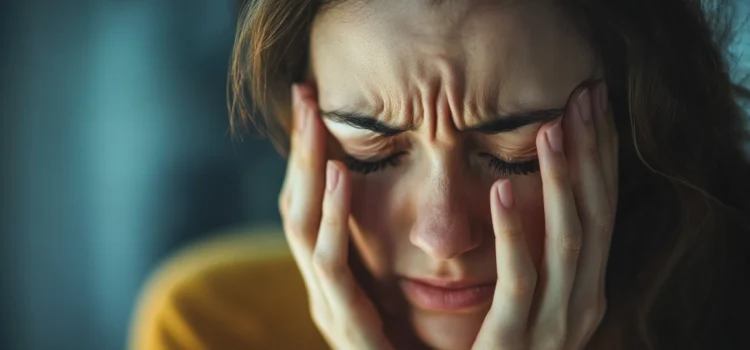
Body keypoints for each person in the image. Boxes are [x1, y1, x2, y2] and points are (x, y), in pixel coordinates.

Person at [130, 0, 750, 349]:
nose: (444, 234)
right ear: (305, 140)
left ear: (630, 123)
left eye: (515, 153)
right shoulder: (210, 328)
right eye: (372, 153)